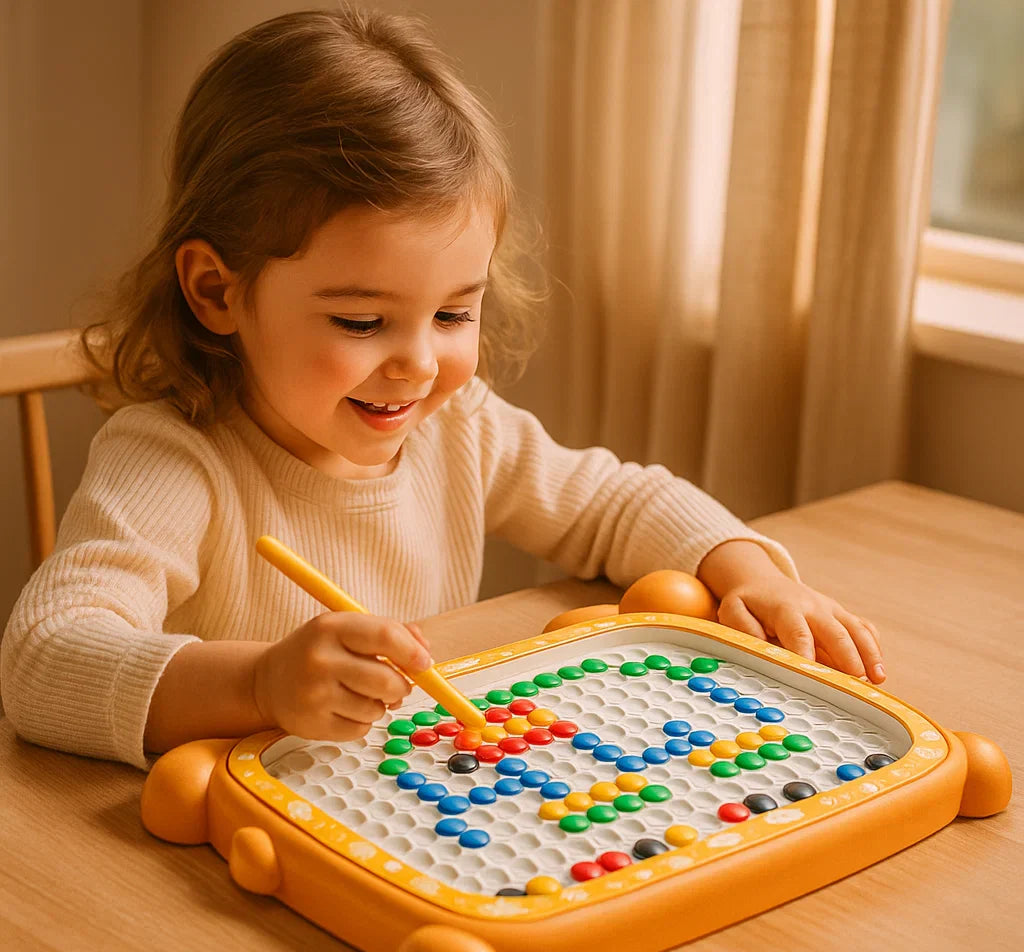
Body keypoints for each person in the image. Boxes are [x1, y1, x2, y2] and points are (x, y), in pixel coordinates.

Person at [0, 8, 884, 770]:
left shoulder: (455, 426)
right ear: (217, 291)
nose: (418, 365)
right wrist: (260, 681)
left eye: (455, 315)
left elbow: (616, 504)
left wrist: (750, 571)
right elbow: (42, 662)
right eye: (361, 322)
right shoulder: (175, 458)